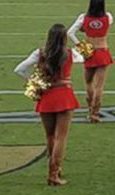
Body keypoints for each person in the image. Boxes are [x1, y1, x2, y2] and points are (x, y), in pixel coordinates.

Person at [14, 24, 84, 186]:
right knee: (61, 137)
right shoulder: (69, 53)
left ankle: (54, 171)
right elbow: (82, 58)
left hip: (46, 96)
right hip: (64, 95)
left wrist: (33, 82)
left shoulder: (39, 53)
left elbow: (19, 69)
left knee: (50, 136)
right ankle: (54, 173)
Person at [68, 0, 114, 123]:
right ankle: (95, 113)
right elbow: (104, 26)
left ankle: (90, 108)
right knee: (99, 86)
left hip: (89, 52)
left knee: (88, 82)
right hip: (103, 51)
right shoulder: (108, 17)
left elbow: (70, 33)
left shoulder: (83, 18)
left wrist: (81, 46)